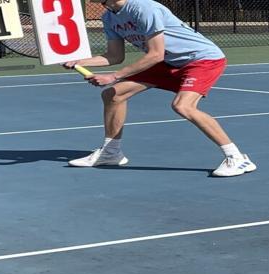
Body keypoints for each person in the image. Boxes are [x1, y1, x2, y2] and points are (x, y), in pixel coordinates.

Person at [62, 0, 255, 177]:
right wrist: (79, 61)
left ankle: (237, 158)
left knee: (183, 106)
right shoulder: (109, 17)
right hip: (169, 62)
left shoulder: (144, 8)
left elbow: (155, 54)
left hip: (202, 59)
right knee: (113, 94)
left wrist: (113, 76)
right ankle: (111, 153)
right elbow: (114, 56)